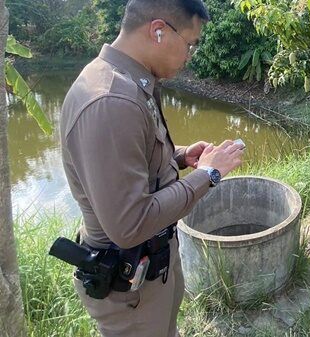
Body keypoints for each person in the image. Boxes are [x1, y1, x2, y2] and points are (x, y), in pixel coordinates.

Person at [59, 1, 244, 336]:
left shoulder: (132, 81)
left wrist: (182, 157)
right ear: (158, 30)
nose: (190, 55)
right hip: (129, 285)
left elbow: (135, 165)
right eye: (189, 44)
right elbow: (130, 223)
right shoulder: (111, 101)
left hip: (151, 267)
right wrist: (208, 175)